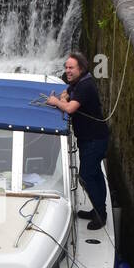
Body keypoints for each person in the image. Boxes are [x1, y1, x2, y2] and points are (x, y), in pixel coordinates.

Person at [45, 52, 109, 229]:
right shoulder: (78, 82)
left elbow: (71, 108)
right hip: (90, 138)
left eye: (71, 68)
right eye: (66, 67)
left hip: (95, 139)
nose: (68, 71)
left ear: (81, 68)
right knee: (94, 174)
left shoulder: (85, 86)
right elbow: (67, 92)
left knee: (87, 176)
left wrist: (56, 102)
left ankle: (100, 215)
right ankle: (98, 209)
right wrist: (63, 97)